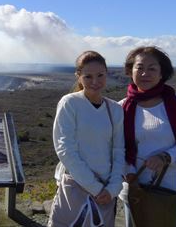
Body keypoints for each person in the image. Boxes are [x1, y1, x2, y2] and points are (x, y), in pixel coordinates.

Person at [119, 46, 176, 227]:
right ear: (130, 71)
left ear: (162, 73)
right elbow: (117, 148)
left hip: (173, 193)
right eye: (139, 67)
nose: (145, 73)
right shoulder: (121, 107)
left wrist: (166, 156)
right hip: (136, 192)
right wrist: (128, 171)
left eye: (152, 68)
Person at [48, 51, 125, 227]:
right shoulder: (70, 103)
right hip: (77, 185)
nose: (95, 81)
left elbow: (119, 150)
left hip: (106, 190)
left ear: (107, 74)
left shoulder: (115, 109)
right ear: (78, 76)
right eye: (88, 76)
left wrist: (113, 188)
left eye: (100, 75)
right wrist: (96, 188)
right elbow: (65, 149)